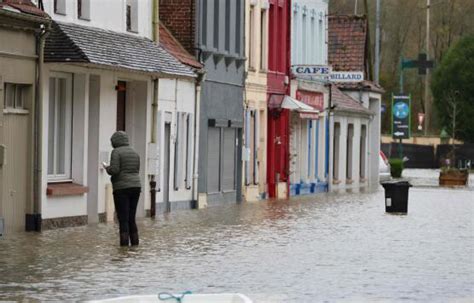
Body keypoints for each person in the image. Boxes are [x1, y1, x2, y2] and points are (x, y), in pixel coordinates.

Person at [104, 131, 141, 246]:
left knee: (123, 219)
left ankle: (124, 248)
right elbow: (136, 170)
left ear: (115, 141)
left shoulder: (116, 152)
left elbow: (114, 170)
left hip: (122, 189)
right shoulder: (135, 152)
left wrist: (106, 167)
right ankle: (135, 245)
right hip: (136, 187)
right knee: (131, 218)